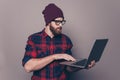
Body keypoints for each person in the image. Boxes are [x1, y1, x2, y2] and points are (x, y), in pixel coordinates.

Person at [22, 3, 95, 80]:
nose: (60, 25)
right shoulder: (34, 39)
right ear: (48, 22)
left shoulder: (66, 40)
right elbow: (28, 67)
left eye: (62, 22)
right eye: (57, 22)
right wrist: (55, 56)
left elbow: (68, 68)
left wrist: (82, 66)